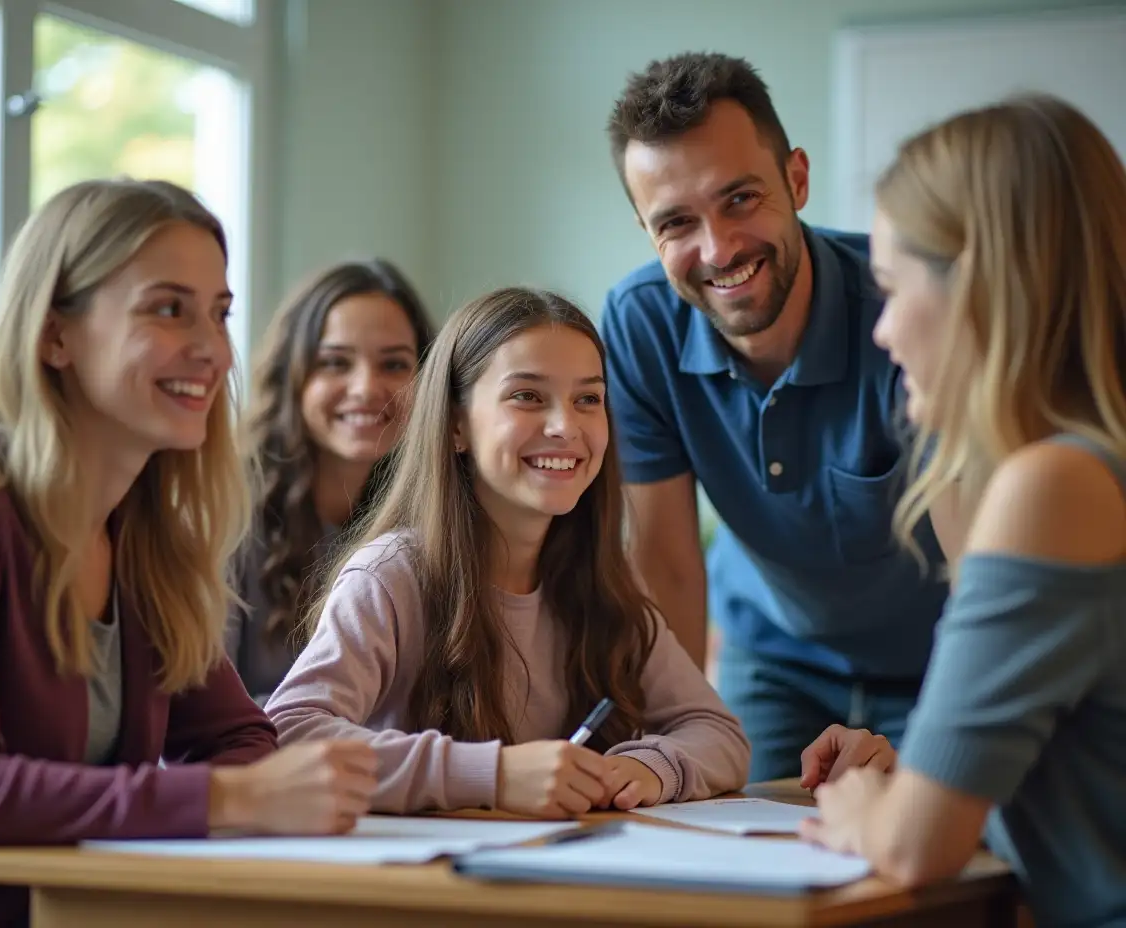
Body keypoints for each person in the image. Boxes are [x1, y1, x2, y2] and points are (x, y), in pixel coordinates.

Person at [0, 178, 377, 928]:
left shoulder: (145, 538)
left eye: (219, 314)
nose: (212, 348)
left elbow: (239, 735)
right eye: (167, 309)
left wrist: (265, 788)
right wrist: (233, 798)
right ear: (54, 335)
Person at [800, 96, 1126, 927]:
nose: (884, 333)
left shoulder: (1057, 486)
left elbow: (917, 845)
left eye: (892, 288)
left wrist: (867, 805)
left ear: (979, 285)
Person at [599, 51, 952, 782]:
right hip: (775, 659)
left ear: (796, 180)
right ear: (645, 230)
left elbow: (981, 567)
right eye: (676, 223)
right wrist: (671, 758)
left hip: (938, 662)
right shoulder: (639, 326)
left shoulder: (905, 312)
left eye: (739, 199)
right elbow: (666, 561)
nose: (718, 248)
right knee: (729, 841)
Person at [265, 288, 752, 817]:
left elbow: (719, 733)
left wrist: (645, 768)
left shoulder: (605, 586)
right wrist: (489, 775)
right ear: (456, 425)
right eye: (528, 396)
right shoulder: (390, 576)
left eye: (588, 399)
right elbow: (292, 732)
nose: (566, 426)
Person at [230, 259, 435, 703]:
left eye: (395, 364)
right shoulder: (226, 512)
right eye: (335, 362)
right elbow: (194, 725)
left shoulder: (429, 521)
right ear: (293, 376)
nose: (365, 387)